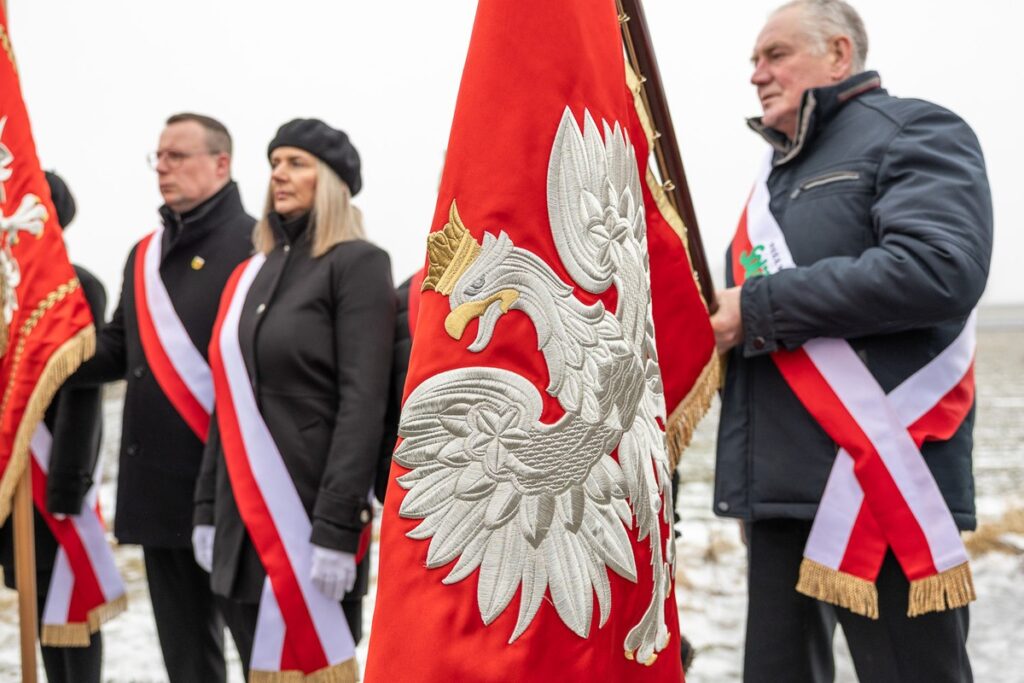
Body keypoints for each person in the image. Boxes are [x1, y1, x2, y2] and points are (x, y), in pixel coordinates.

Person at [710, 1, 992, 682]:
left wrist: (757, 304)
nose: (756, 74)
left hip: (887, 483)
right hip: (781, 496)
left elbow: (939, 268)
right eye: (753, 59)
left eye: (775, 55)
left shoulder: (915, 131)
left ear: (838, 54)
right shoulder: (770, 181)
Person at [193, 118, 394, 680]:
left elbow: (363, 402)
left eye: (296, 163)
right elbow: (227, 399)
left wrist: (336, 527)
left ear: (329, 180)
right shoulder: (246, 276)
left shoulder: (357, 264)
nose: (278, 173)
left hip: (307, 524)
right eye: (275, 162)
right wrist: (206, 510)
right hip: (241, 525)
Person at [71, 113, 254, 683]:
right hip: (161, 488)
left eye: (178, 156)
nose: (163, 168)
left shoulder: (257, 242)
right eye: (158, 157)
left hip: (237, 489)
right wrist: (41, 350)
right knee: (186, 661)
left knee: (263, 656)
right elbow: (118, 349)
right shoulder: (143, 254)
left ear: (221, 163)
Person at [0, 171, 107, 683]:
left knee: (69, 606)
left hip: (53, 478)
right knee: (34, 603)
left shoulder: (80, 287)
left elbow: (81, 398)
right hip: (11, 477)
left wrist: (68, 482)